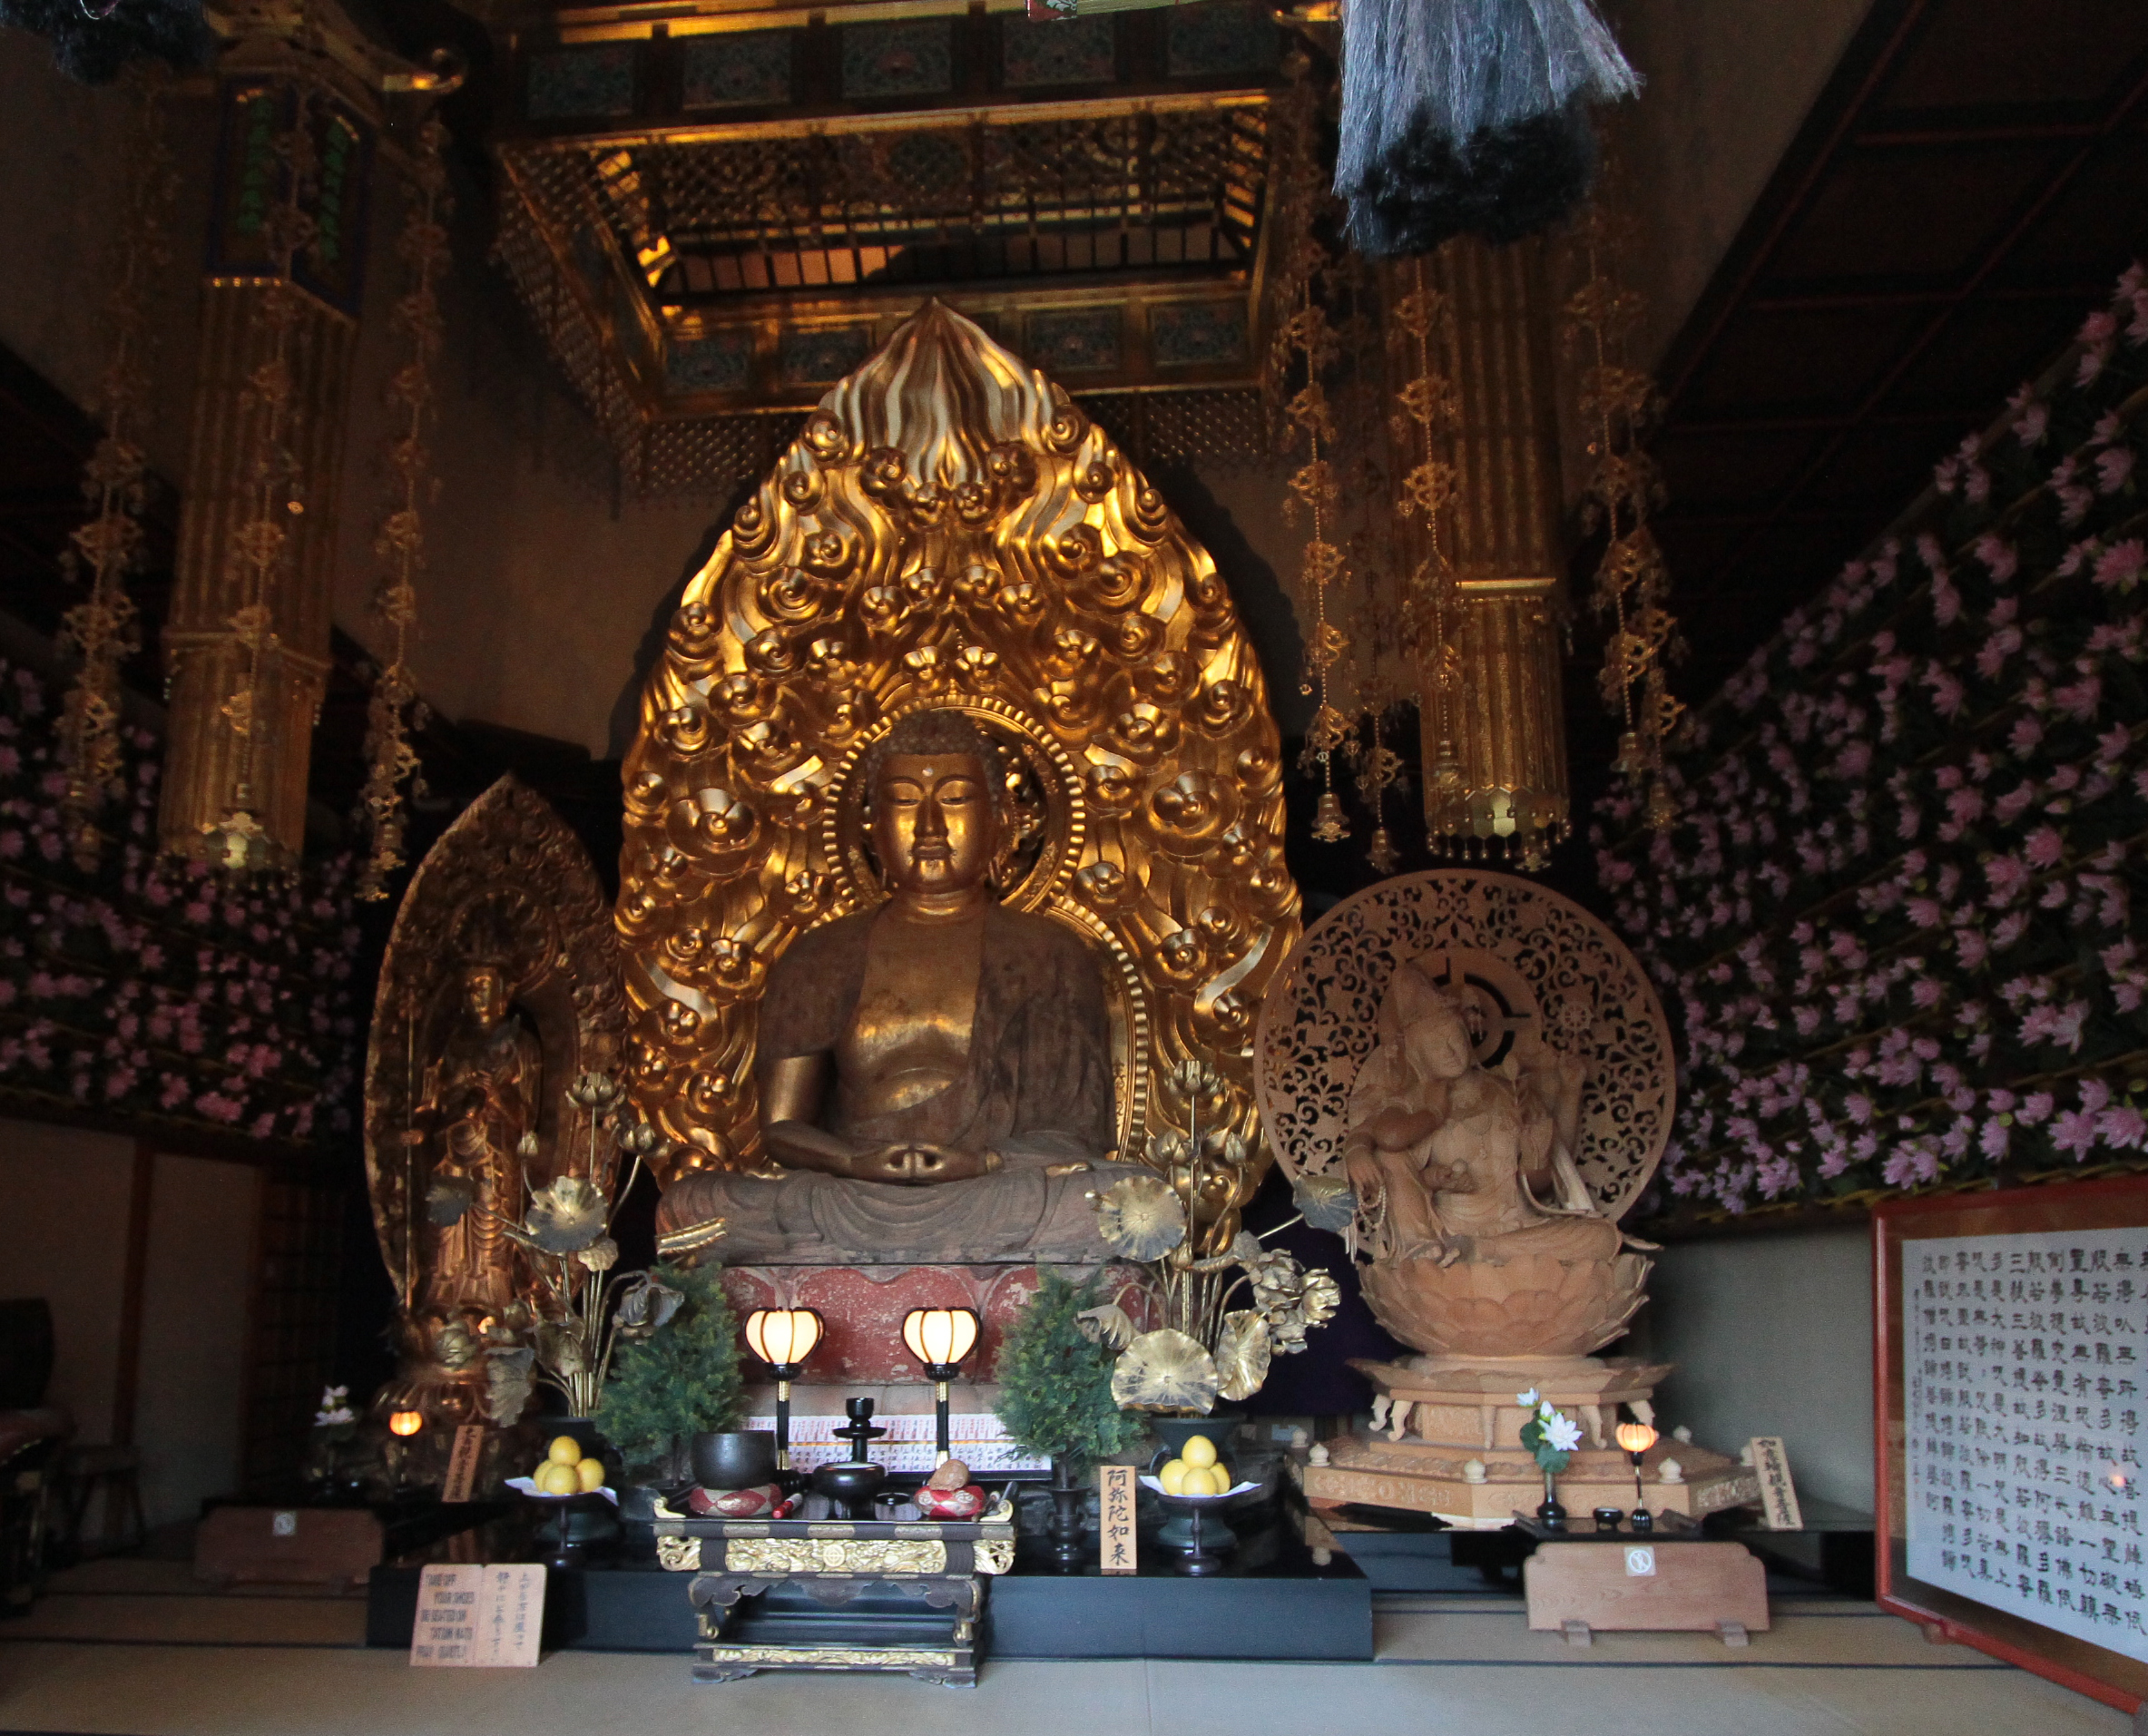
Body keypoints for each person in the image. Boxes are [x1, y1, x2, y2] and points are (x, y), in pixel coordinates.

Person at [654, 710, 1134, 1264]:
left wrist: (980, 1163)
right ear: (872, 826)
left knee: (1113, 1200)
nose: (929, 827)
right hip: (851, 1193)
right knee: (693, 1207)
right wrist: (851, 1162)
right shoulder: (821, 954)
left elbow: (1074, 1134)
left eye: (955, 799)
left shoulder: (1049, 953)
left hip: (997, 1193)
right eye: (904, 801)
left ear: (1002, 820)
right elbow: (783, 1127)